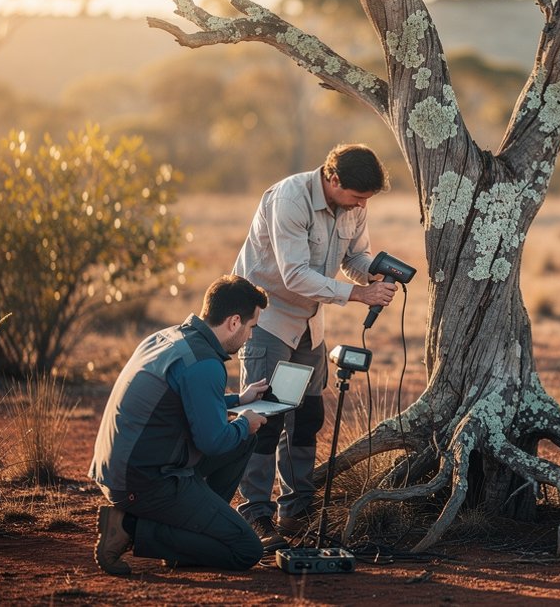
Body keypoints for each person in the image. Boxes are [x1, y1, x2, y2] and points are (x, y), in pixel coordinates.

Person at [231, 143, 396, 550]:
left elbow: (355, 257)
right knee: (265, 417)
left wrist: (374, 273)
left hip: (310, 324)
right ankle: (255, 514)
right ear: (332, 178)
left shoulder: (353, 205)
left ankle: (296, 509)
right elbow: (294, 275)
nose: (362, 205)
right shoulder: (290, 199)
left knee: (305, 417)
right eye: (357, 197)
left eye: (366, 199)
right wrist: (359, 295)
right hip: (267, 320)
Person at [89, 274, 272, 574]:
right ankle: (129, 528)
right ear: (234, 322)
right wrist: (243, 423)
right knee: (246, 550)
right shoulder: (205, 364)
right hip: (144, 482)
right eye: (251, 327)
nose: (250, 337)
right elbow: (213, 442)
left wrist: (239, 400)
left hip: (122, 470)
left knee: (244, 440)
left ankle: (189, 537)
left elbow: (184, 402)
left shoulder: (169, 338)